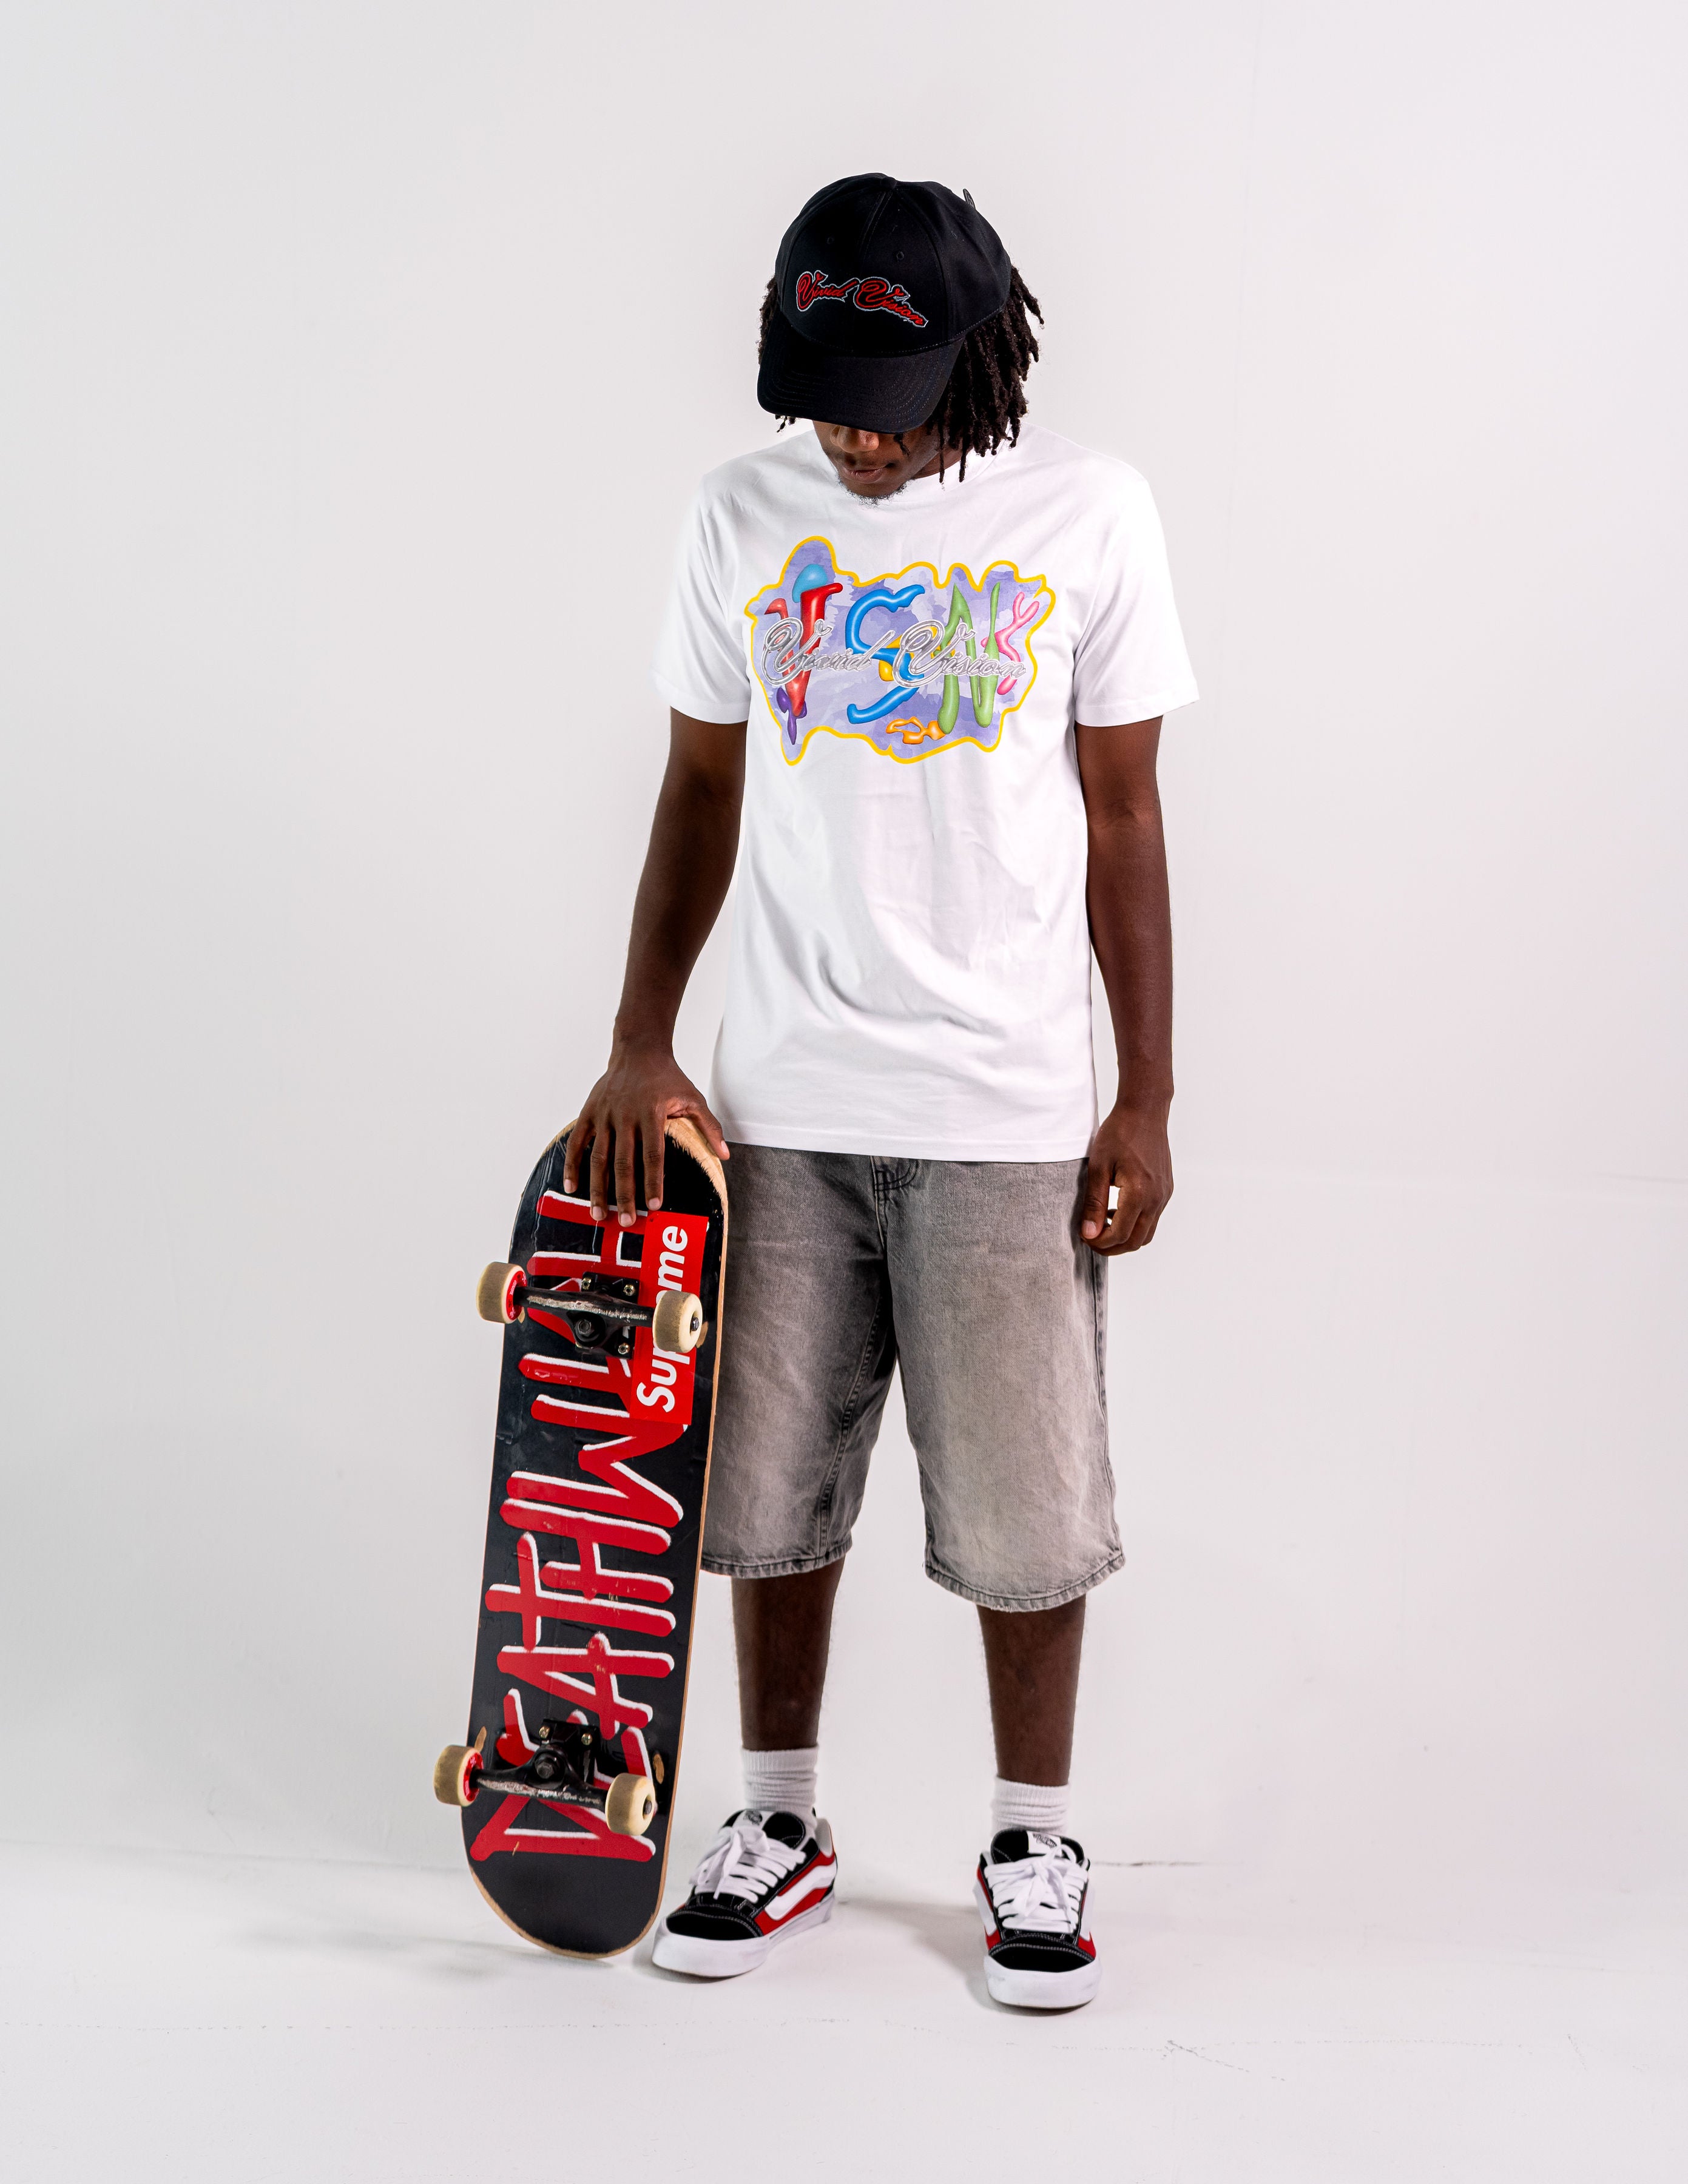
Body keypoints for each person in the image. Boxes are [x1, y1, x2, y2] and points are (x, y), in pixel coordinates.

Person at [565, 174, 1197, 2009]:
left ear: (974, 362)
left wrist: (1145, 1096)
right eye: (822, 390)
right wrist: (639, 1038)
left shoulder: (1092, 511)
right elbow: (695, 789)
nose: (849, 431)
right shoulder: (739, 514)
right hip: (777, 1096)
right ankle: (780, 1816)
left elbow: (1128, 811)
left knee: (1025, 1503)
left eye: (887, 398)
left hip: (1005, 1100)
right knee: (759, 1489)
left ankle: (1030, 1830)